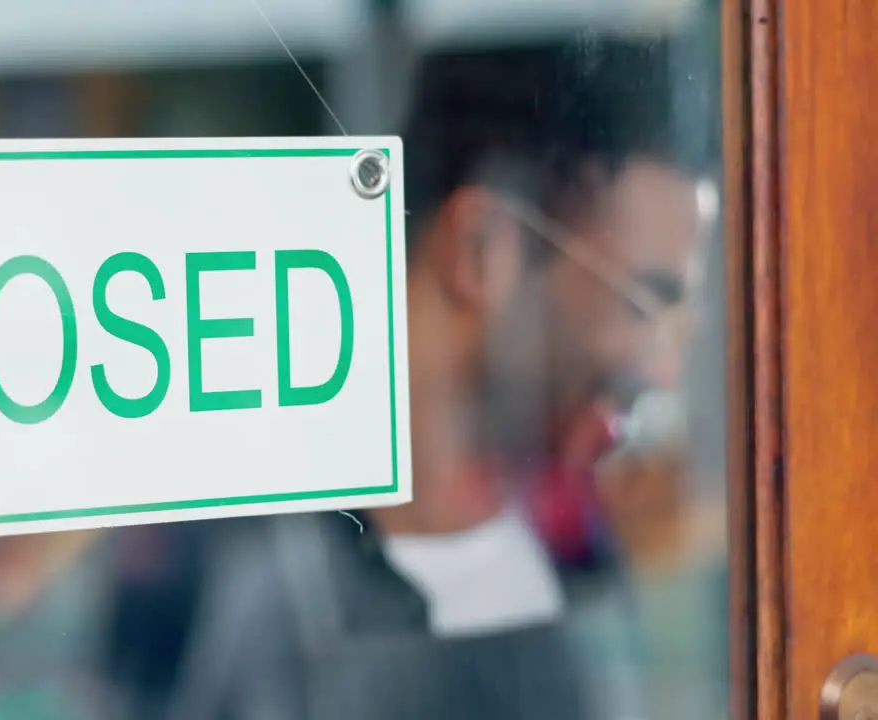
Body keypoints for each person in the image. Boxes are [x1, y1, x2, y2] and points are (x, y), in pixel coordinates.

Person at [160, 33, 706, 720]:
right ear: (481, 249)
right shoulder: (232, 571)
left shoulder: (578, 560)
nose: (662, 367)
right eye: (642, 304)